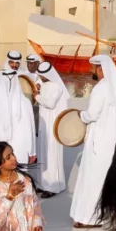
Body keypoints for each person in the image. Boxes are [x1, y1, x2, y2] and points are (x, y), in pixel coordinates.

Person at [69, 55, 116, 227]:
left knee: (93, 178)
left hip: (99, 141)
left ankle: (89, 218)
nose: (92, 71)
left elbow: (92, 115)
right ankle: (105, 214)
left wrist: (80, 114)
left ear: (100, 69)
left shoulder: (100, 88)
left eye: (93, 68)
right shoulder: (114, 87)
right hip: (112, 140)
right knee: (106, 177)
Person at [33, 61, 69, 196]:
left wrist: (36, 95)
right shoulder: (45, 84)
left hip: (53, 125)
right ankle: (42, 184)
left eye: (41, 75)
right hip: (44, 125)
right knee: (43, 152)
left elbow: (49, 103)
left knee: (52, 155)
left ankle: (53, 187)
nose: (40, 78)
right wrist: (38, 90)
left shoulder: (57, 87)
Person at [0, 69, 36, 165]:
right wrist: (32, 151)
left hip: (9, 149)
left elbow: (30, 127)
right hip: (15, 149)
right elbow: (31, 129)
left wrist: (32, 152)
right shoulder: (25, 102)